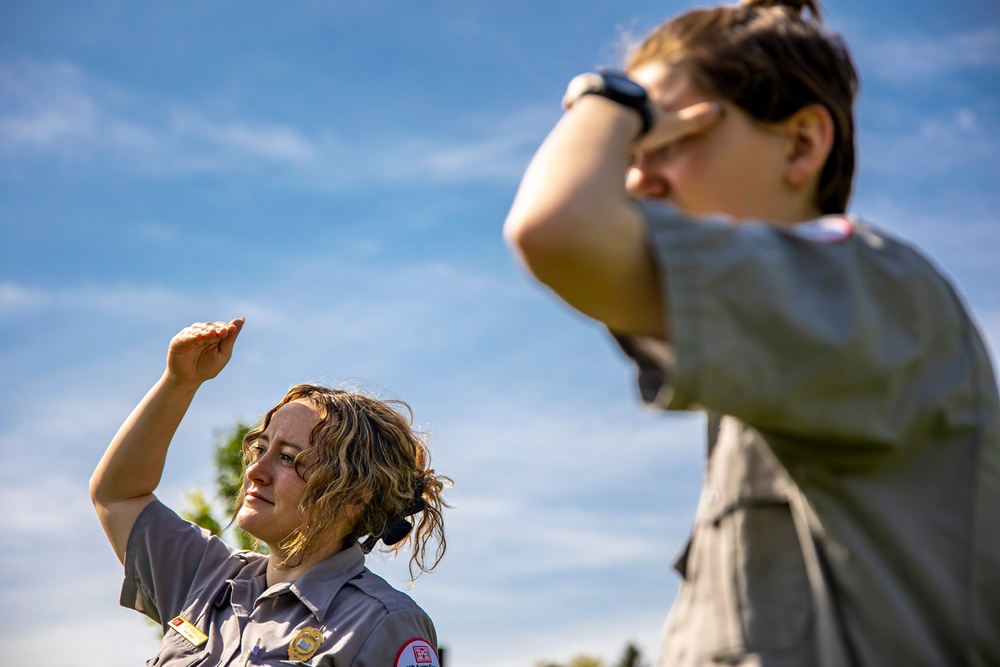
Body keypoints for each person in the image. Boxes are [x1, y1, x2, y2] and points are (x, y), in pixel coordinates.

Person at [503, 1, 1000, 666]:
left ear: (800, 145)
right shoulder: (791, 359)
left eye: (663, 137)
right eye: (629, 149)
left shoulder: (874, 291)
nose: (634, 178)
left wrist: (606, 96)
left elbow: (558, 228)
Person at [90, 318, 450, 666]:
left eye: (290, 458)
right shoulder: (206, 577)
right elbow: (118, 494)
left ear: (355, 498)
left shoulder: (383, 623)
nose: (254, 471)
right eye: (261, 449)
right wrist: (179, 382)